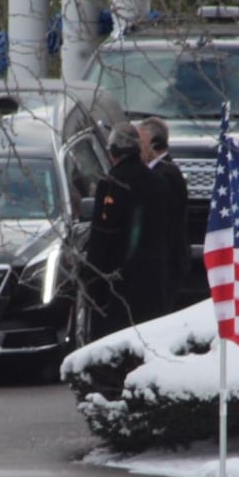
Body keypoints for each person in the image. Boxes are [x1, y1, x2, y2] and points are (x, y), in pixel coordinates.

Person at [82, 121, 169, 340]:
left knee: (112, 345)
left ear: (113, 152)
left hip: (117, 284)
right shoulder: (159, 182)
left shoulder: (111, 184)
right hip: (151, 280)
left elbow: (103, 236)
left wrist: (92, 282)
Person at [137, 116, 190, 312]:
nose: (136, 148)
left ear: (155, 145)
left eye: (140, 143)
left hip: (167, 262)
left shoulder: (165, 175)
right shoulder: (157, 172)